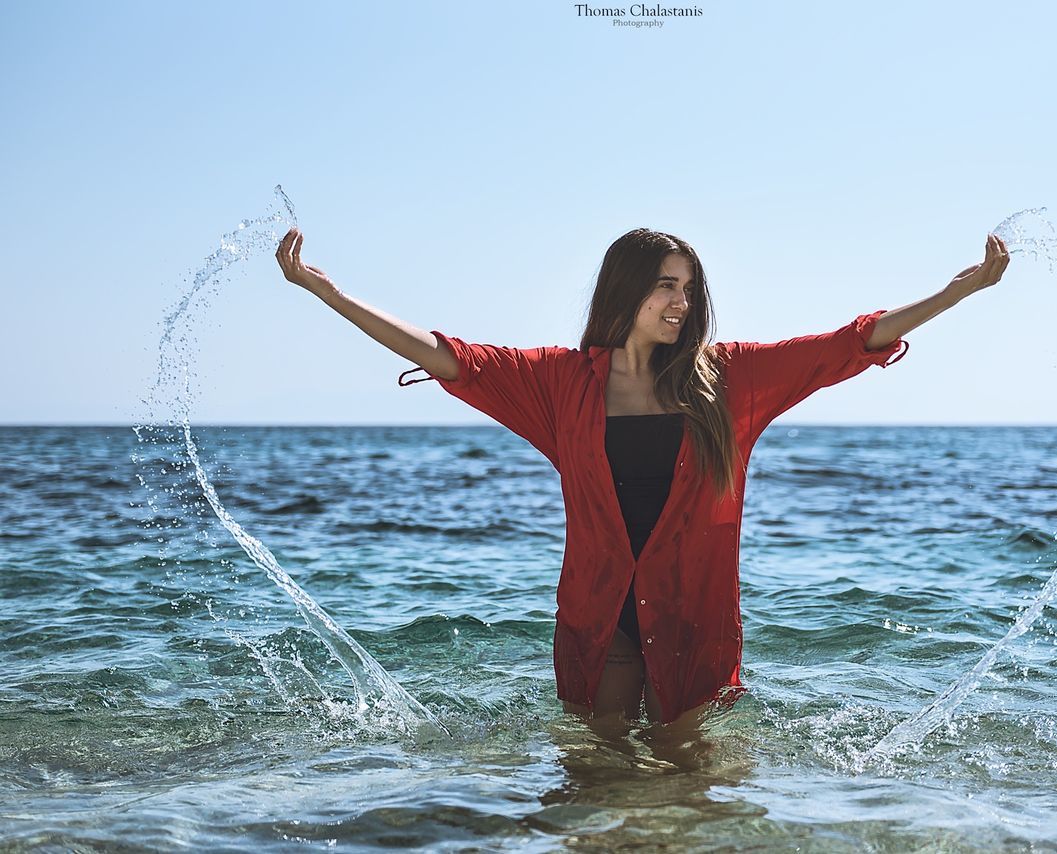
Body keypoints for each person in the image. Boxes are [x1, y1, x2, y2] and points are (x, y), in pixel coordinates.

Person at [275, 226, 1010, 736]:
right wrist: (322, 292)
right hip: (599, 618)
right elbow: (447, 355)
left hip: (694, 617)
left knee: (693, 785)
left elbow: (847, 344)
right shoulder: (560, 382)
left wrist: (961, 292)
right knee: (592, 779)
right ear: (625, 291)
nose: (681, 303)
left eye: (689, 288)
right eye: (666, 286)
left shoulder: (729, 378)